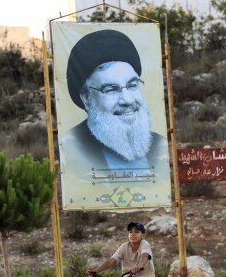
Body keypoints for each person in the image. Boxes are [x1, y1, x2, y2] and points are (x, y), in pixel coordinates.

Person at [63, 29, 168, 171]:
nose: (128, 100)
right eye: (111, 89)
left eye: (132, 85)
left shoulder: (159, 144)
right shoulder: (72, 145)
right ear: (87, 98)